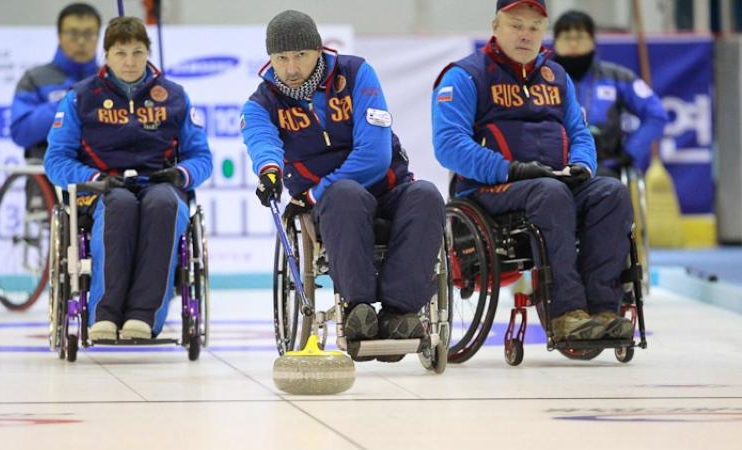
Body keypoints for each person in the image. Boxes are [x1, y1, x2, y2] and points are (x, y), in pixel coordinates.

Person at [241, 10, 445, 361]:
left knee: (427, 195)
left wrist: (313, 192)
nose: (291, 68)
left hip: (387, 186)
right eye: (281, 58)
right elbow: (262, 141)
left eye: (300, 56)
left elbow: (375, 155)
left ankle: (401, 313)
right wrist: (269, 172)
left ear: (318, 50)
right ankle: (359, 309)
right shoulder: (262, 103)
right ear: (270, 59)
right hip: (334, 204)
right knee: (345, 195)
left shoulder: (355, 73)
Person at [432, 0, 634, 341]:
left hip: (550, 182)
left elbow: (580, 133)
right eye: (516, 24)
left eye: (534, 27)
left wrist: (583, 166)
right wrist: (510, 169)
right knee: (550, 193)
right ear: (496, 27)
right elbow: (449, 146)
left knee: (611, 192)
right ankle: (566, 312)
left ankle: (603, 309)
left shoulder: (556, 76)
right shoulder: (465, 76)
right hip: (488, 189)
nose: (525, 34)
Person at [45, 17, 213, 340]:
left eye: (138, 52)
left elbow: (202, 157)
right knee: (119, 205)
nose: (130, 61)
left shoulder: (174, 97)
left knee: (164, 204)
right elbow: (55, 160)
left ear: (148, 52)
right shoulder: (81, 98)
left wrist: (181, 174)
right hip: (102, 189)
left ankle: (144, 314)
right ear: (106, 55)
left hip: (159, 184)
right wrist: (92, 177)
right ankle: (104, 314)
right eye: (121, 53)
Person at [553, 10, 667, 177]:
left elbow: (656, 114)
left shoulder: (618, 77)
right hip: (552, 165)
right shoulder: (542, 77)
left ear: (593, 41)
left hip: (603, 166)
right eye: (566, 38)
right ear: (555, 41)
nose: (573, 44)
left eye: (580, 37)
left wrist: (630, 152)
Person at [11, 3, 102, 161]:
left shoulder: (109, 79)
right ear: (59, 36)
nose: (81, 41)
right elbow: (21, 133)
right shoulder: (34, 78)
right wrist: (69, 102)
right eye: (73, 34)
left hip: (104, 170)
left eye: (89, 34)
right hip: (50, 172)